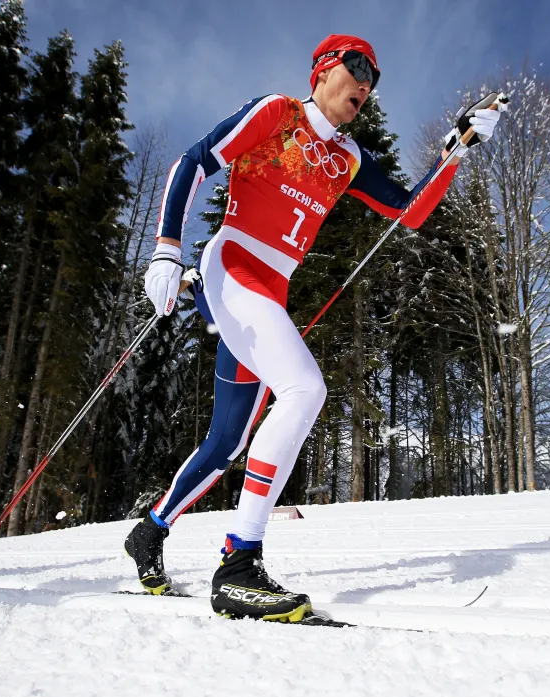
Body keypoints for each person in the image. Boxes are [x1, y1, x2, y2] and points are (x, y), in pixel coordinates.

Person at [124, 34, 502, 622]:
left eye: (375, 79)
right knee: (305, 388)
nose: (367, 84)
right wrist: (167, 250)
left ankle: (149, 531)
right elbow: (193, 162)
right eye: (357, 68)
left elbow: (411, 209)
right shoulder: (278, 114)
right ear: (324, 69)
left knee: (227, 443)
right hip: (234, 267)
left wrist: (456, 150)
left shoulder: (348, 157)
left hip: (268, 293)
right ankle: (239, 567)